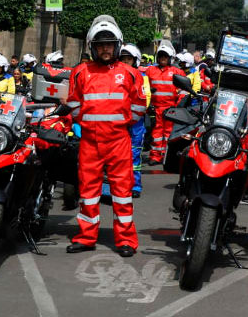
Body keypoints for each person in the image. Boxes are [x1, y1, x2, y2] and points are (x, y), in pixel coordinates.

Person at [66, 15, 147, 257]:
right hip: (90, 141)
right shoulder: (80, 72)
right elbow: (73, 103)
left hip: (119, 141)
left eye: (109, 45)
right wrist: (91, 123)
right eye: (100, 45)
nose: (105, 49)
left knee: (122, 193)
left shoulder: (131, 74)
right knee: (88, 193)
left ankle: (125, 241)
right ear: (92, 47)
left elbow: (139, 106)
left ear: (117, 46)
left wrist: (117, 125)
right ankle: (85, 237)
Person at [119, 43, 150, 198]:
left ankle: (135, 186)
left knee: (134, 154)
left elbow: (147, 99)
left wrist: (132, 113)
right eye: (123, 58)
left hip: (136, 121)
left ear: (135, 60)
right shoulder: (115, 76)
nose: (125, 62)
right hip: (118, 119)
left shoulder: (142, 77)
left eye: (128, 59)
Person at [146, 40, 185, 165]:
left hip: (171, 109)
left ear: (170, 58)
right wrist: (148, 104)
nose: (163, 58)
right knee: (156, 134)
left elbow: (184, 91)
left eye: (165, 56)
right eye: (161, 56)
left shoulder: (177, 72)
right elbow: (143, 87)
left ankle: (167, 157)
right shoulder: (150, 71)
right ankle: (155, 156)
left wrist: (178, 105)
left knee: (169, 134)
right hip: (156, 109)